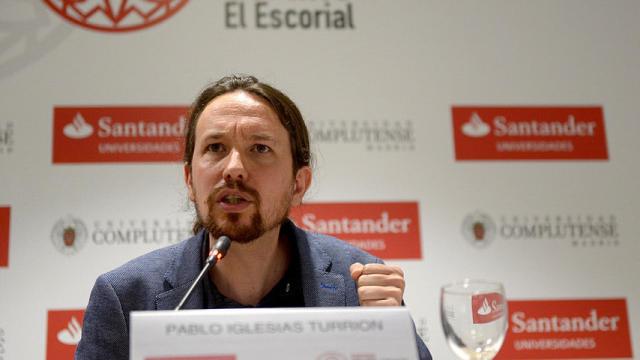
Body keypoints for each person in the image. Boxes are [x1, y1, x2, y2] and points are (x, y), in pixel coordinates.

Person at [75, 74, 432, 359]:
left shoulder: (358, 286)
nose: (234, 169)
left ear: (298, 183)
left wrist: (393, 336)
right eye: (215, 148)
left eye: (259, 149)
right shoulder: (126, 297)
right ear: (189, 180)